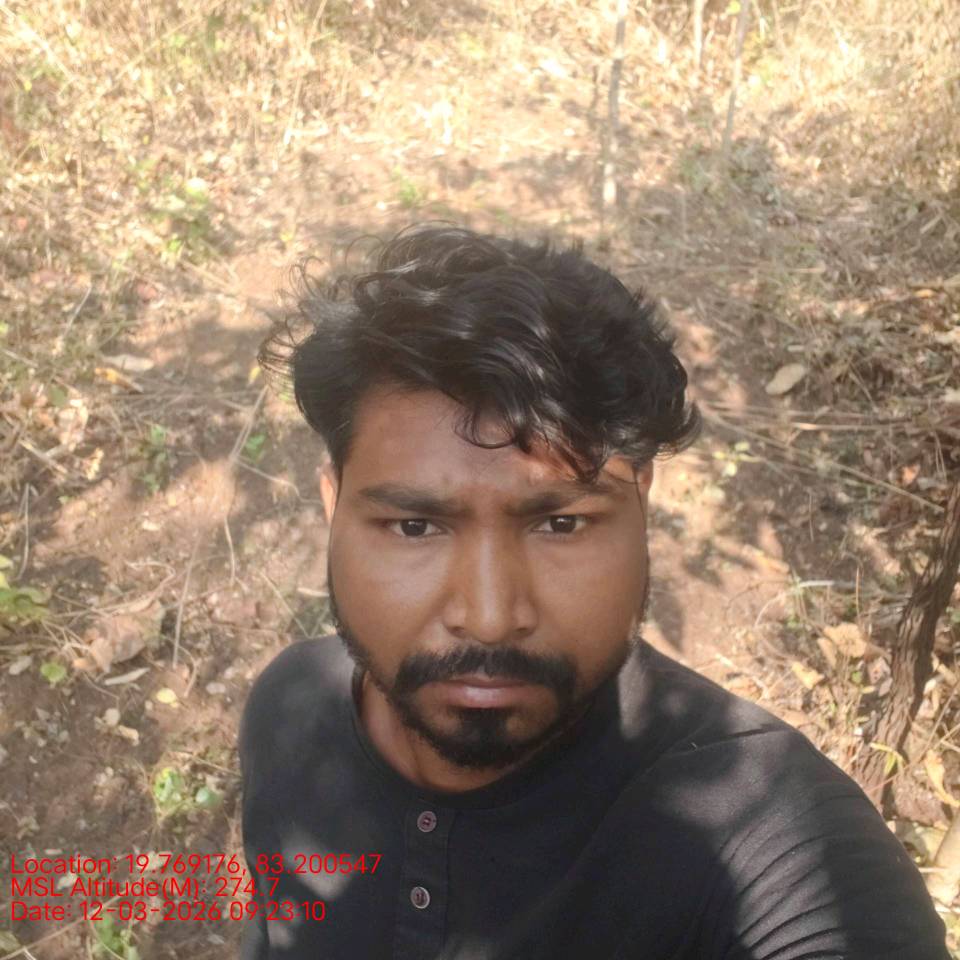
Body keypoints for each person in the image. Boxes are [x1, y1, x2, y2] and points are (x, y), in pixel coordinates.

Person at [239, 224, 949, 959]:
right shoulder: (287, 708)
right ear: (333, 507)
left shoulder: (769, 838)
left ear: (642, 499)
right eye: (415, 526)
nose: (490, 618)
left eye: (561, 523)